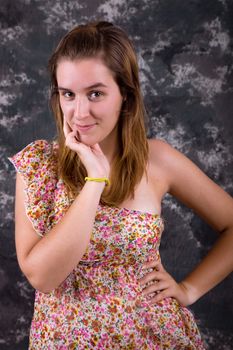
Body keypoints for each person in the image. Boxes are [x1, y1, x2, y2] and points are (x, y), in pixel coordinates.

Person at [9, 21, 233, 349]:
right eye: (68, 94)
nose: (79, 112)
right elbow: (43, 277)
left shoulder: (157, 159)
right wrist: (94, 181)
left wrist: (189, 290)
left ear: (125, 96)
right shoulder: (40, 164)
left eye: (95, 93)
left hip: (157, 338)